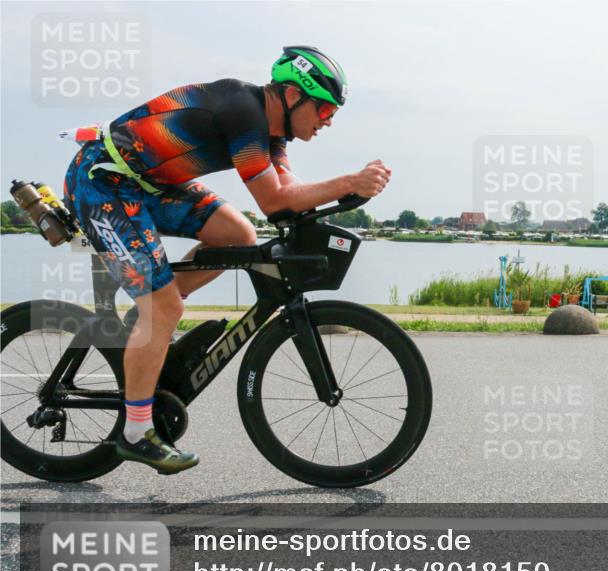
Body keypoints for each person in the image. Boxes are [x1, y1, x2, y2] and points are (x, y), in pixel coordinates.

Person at [63, 46, 391, 474]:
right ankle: (135, 433)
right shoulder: (242, 110)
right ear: (293, 95)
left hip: (148, 185)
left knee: (238, 235)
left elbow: (290, 194)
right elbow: (274, 199)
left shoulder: (272, 134)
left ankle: (146, 320)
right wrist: (349, 179)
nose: (328, 120)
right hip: (102, 182)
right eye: (325, 108)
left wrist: (349, 193)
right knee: (164, 306)